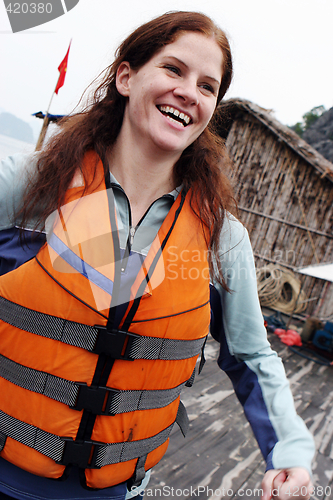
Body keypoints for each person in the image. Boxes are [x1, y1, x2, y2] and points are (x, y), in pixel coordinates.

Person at [0, 11, 314, 500]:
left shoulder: (220, 238)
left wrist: (290, 452)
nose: (190, 92)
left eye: (208, 86)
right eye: (173, 69)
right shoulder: (28, 187)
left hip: (118, 490)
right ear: (126, 77)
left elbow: (252, 355)